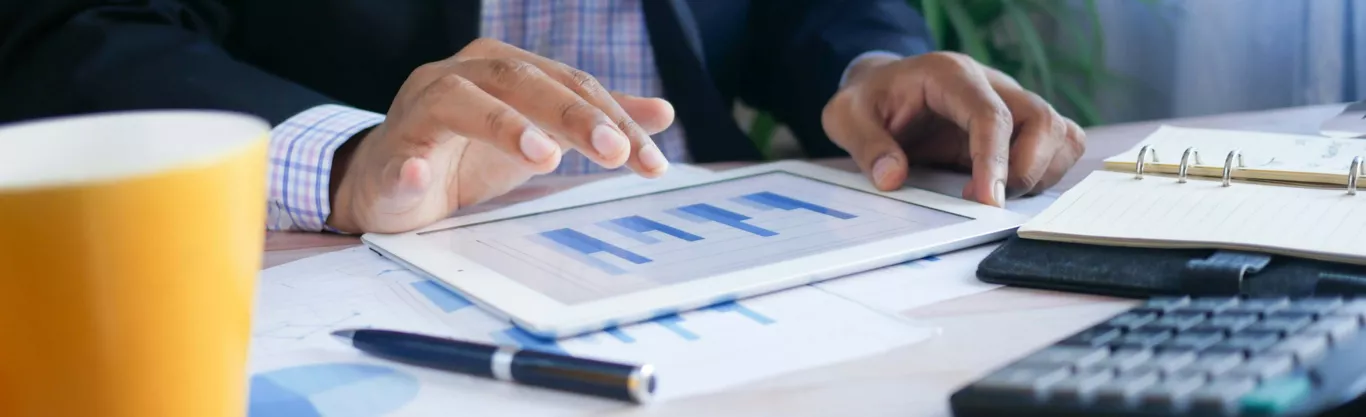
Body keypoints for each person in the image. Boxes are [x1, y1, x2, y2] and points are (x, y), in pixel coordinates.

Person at [0, 0, 1084, 234]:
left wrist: (873, 66)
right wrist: (345, 157)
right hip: (367, 269)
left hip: (728, 251)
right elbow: (78, 32)